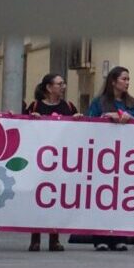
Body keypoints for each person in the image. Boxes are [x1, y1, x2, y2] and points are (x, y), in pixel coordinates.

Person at [25, 73, 83, 252]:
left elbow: (78, 132)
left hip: (60, 161)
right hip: (39, 160)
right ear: (49, 88)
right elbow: (22, 128)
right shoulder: (35, 106)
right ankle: (35, 238)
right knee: (37, 198)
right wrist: (30, 119)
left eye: (64, 83)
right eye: (59, 84)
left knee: (56, 198)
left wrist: (79, 121)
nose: (63, 87)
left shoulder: (69, 106)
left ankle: (54, 238)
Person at [87, 67, 134, 251]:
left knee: (121, 196)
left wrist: (129, 119)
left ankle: (120, 236)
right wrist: (107, 117)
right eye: (123, 79)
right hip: (104, 155)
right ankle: (100, 237)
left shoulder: (132, 103)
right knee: (102, 195)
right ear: (113, 81)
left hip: (126, 156)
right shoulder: (99, 102)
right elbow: (89, 123)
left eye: (128, 79)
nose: (127, 82)